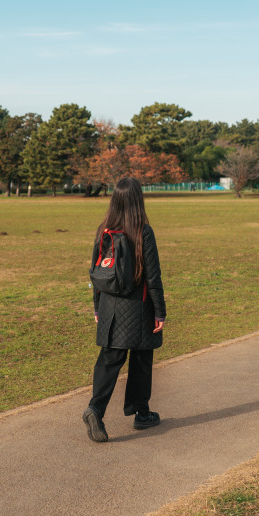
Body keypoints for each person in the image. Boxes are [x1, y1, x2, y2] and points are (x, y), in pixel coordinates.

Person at [83, 177, 166, 443]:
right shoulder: (143, 232)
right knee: (141, 359)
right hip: (139, 307)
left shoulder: (104, 231)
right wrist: (160, 312)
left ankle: (95, 409)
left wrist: (97, 307)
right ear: (138, 200)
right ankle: (141, 412)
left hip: (110, 306)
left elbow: (97, 272)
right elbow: (153, 277)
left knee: (109, 360)